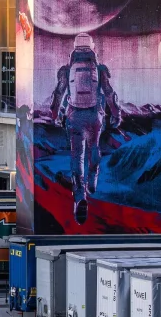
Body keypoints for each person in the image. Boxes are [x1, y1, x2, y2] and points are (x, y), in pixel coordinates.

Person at [49, 33, 121, 225]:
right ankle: (93, 177)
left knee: (77, 156)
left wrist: (55, 115)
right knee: (94, 146)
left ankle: (80, 195)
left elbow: (58, 94)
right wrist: (116, 114)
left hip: (74, 116)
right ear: (92, 47)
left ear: (74, 48)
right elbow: (109, 93)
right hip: (95, 115)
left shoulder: (66, 70)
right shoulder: (100, 69)